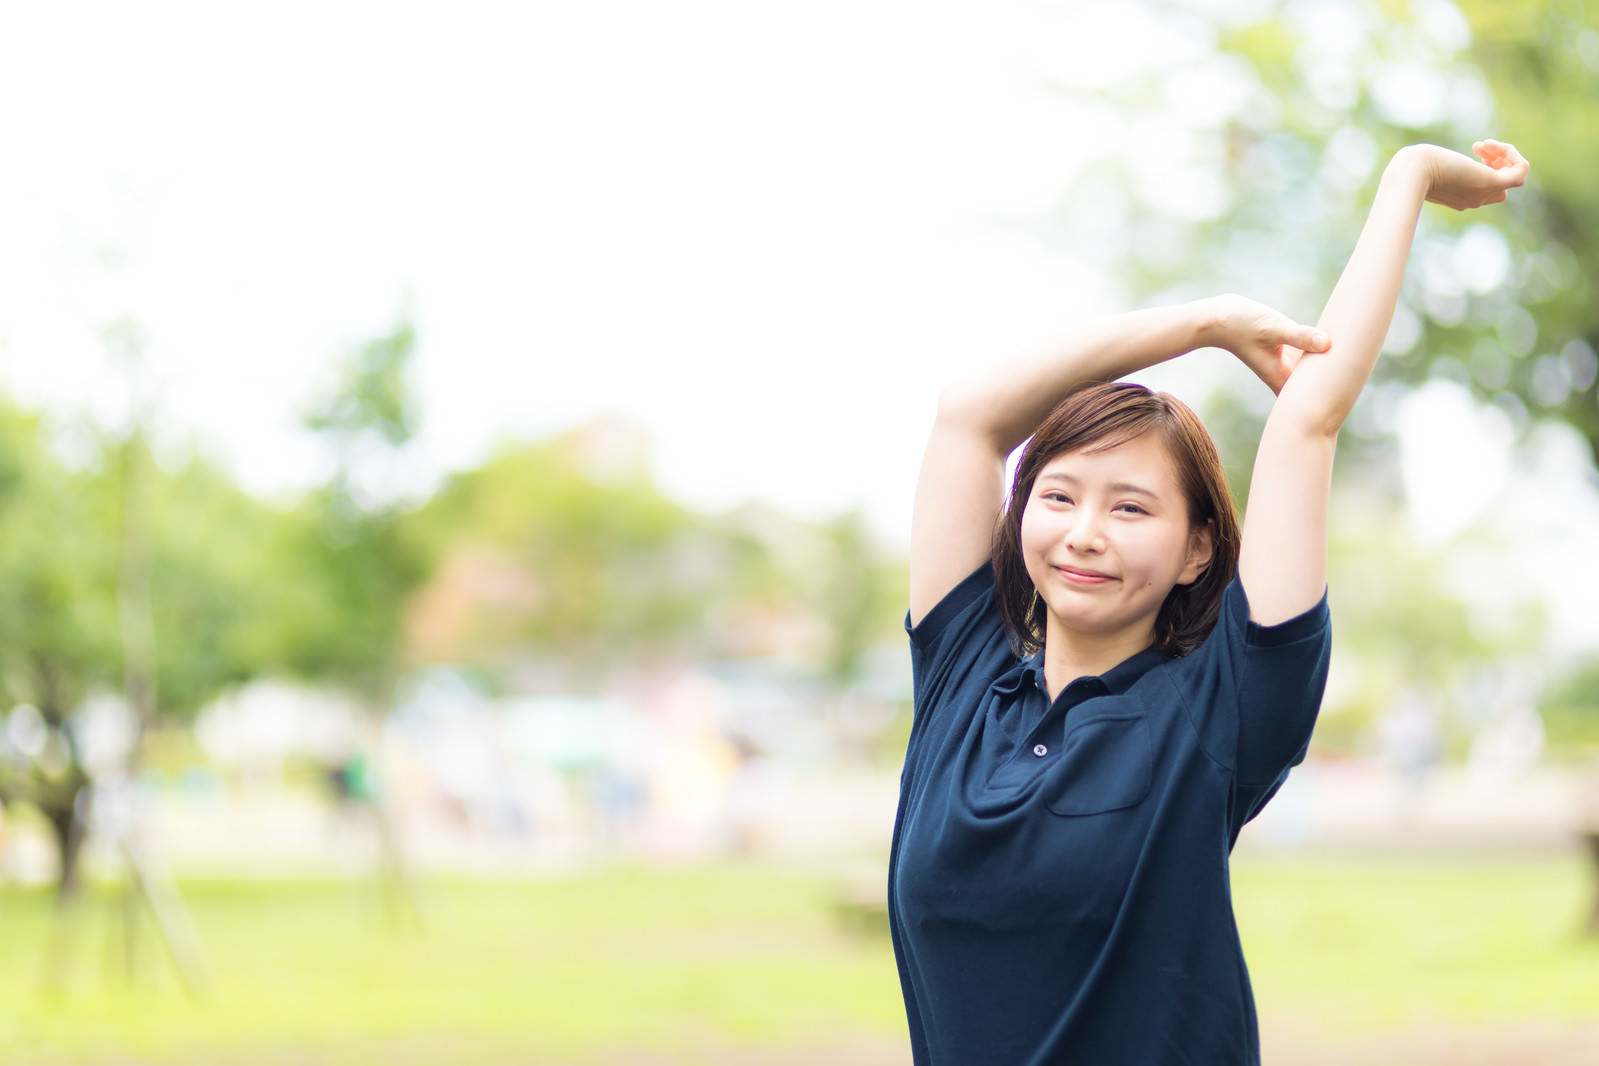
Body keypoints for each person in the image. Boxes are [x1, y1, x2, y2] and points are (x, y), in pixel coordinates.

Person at [890, 139, 1529, 1065]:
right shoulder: (960, 681)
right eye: (1059, 495)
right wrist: (1203, 323)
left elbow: (1309, 411)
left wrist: (1412, 177)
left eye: (1131, 507)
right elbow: (968, 414)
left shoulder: (1219, 707)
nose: (1083, 532)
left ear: (1198, 551)